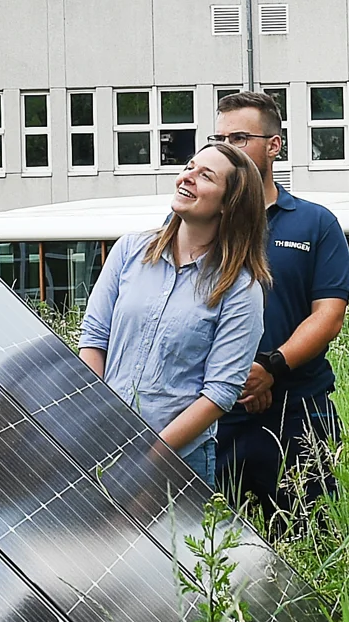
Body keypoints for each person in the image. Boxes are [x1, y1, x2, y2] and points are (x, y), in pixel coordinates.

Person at [78, 143, 270, 485]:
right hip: (103, 447)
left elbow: (220, 393)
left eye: (205, 175)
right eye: (190, 166)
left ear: (229, 204)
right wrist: (100, 422)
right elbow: (94, 339)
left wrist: (149, 458)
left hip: (179, 462)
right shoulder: (129, 252)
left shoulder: (241, 289)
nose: (188, 177)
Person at [208, 89, 349, 522]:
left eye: (238, 139)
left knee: (308, 539)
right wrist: (233, 379)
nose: (225, 150)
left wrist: (270, 367)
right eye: (218, 140)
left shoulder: (316, 223)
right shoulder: (196, 221)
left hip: (298, 413)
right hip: (213, 415)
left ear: (274, 145)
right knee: (214, 550)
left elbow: (328, 314)